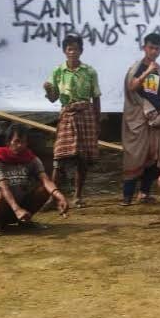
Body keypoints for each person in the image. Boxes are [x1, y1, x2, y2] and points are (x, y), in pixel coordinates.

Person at [0, 123, 69, 237]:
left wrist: (59, 196)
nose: (20, 145)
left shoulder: (31, 158)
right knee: (0, 196)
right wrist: (17, 209)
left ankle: (24, 222)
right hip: (3, 205)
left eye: (23, 142)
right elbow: (3, 187)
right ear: (8, 142)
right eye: (17, 141)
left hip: (22, 201)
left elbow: (46, 180)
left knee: (44, 189)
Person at [43, 34, 101, 208]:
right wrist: (48, 90)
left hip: (86, 114)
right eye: (69, 49)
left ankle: (78, 196)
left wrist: (97, 122)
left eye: (76, 48)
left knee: (82, 159)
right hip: (67, 114)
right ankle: (54, 197)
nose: (73, 52)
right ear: (64, 51)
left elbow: (96, 97)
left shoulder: (90, 71)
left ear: (81, 51)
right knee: (59, 157)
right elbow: (53, 99)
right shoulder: (57, 71)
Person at [121, 33, 160, 205]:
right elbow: (132, 87)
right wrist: (147, 72)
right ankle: (127, 197)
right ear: (144, 48)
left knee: (155, 156)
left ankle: (143, 193)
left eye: (158, 48)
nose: (154, 51)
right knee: (135, 156)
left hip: (157, 120)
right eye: (151, 47)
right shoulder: (137, 67)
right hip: (138, 120)